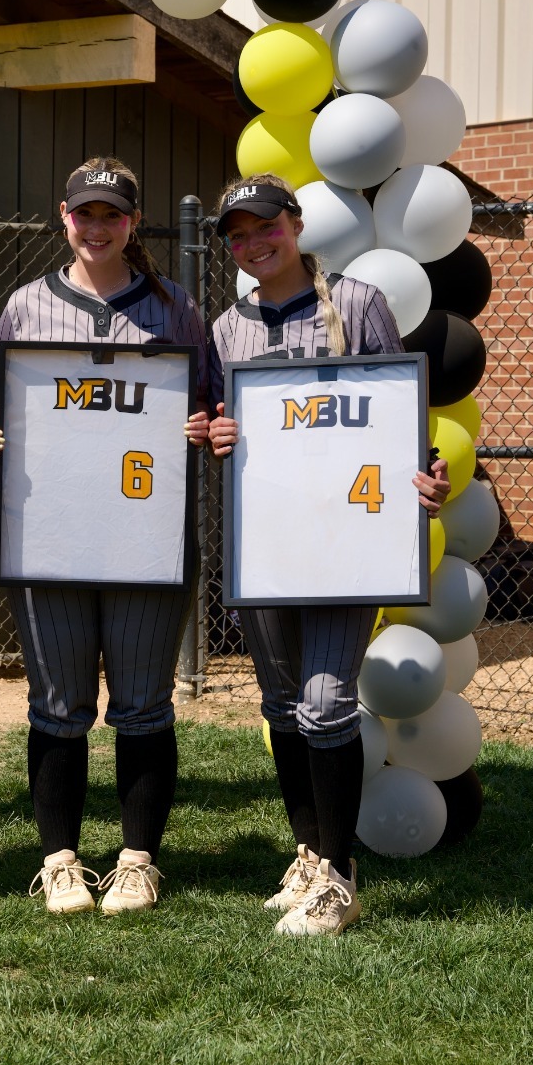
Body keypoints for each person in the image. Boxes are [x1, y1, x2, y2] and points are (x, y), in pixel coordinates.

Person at [204, 175, 450, 937]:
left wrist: (427, 472)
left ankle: (340, 880)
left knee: (324, 701)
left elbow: (396, 408)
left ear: (297, 223)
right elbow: (223, 421)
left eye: (265, 226)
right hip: (270, 540)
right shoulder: (226, 327)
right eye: (238, 234)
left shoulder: (357, 302)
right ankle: (310, 852)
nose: (254, 243)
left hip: (348, 538)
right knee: (282, 706)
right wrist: (217, 433)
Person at [0, 156, 211, 916]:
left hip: (148, 537)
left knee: (143, 706)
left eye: (113, 214)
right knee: (58, 705)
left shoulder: (176, 308)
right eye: (85, 213)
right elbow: (0, 411)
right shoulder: (24, 307)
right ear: (64, 218)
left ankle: (137, 860)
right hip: (51, 539)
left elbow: (208, 408)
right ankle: (62, 859)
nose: (98, 227)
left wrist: (202, 426)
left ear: (132, 223)